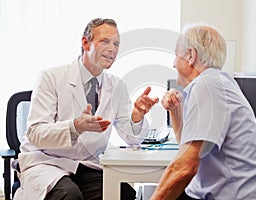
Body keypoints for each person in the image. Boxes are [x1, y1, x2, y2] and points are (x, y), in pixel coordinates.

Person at [14, 18, 159, 200]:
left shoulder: (117, 86)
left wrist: (137, 116)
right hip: (47, 162)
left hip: (87, 165)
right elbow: (35, 133)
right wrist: (75, 126)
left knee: (124, 194)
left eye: (116, 44)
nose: (112, 49)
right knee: (69, 195)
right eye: (105, 41)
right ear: (85, 42)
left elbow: (131, 138)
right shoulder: (51, 78)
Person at [151, 24, 256, 200]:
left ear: (190, 56)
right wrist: (175, 111)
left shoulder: (207, 86)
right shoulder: (216, 82)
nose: (173, 63)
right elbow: (187, 148)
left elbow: (185, 167)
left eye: (175, 55)